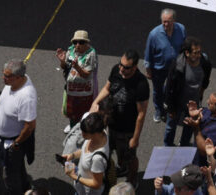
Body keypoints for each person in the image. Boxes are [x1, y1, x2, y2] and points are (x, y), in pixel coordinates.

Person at [90, 49, 149, 184]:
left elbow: (141, 114)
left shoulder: (141, 84)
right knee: (112, 152)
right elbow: (107, 88)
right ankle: (122, 169)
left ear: (134, 67)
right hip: (111, 124)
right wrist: (95, 102)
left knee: (130, 157)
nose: (121, 69)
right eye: (120, 64)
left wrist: (135, 138)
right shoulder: (116, 70)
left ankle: (132, 180)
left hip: (127, 130)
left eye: (126, 67)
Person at [0, 59, 37, 195]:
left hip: (12, 143)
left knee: (10, 176)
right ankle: (26, 188)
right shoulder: (14, 83)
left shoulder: (26, 97)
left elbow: (30, 126)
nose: (3, 78)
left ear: (18, 77)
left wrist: (16, 144)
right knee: (19, 169)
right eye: (4, 74)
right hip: (5, 138)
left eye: (7, 76)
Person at [163, 36, 212, 147]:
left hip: (193, 103)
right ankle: (168, 145)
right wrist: (170, 108)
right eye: (195, 53)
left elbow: (205, 81)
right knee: (171, 126)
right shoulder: (178, 66)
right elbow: (169, 88)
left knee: (190, 127)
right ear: (187, 53)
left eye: (199, 52)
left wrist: (201, 93)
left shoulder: (205, 63)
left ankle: (183, 145)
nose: (199, 55)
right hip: (177, 103)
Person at [144, 9, 186, 123]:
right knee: (158, 91)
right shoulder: (154, 34)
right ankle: (158, 109)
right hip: (159, 68)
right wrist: (148, 69)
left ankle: (173, 107)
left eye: (168, 21)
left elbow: (184, 47)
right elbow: (148, 53)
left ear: (174, 20)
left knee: (174, 88)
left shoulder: (181, 29)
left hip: (176, 67)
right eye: (163, 22)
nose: (165, 24)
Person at [62, 112, 109, 195]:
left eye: (84, 133)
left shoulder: (97, 159)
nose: (82, 134)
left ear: (95, 134)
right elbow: (85, 151)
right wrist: (72, 155)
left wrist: (74, 177)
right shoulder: (102, 133)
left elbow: (96, 184)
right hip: (80, 187)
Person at [58, 30, 98, 127]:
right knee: (72, 112)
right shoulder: (71, 51)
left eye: (81, 42)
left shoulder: (91, 54)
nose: (77, 45)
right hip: (71, 90)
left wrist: (77, 67)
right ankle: (73, 127)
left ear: (87, 43)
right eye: (75, 42)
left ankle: (83, 131)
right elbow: (64, 67)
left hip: (84, 92)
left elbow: (86, 74)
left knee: (85, 114)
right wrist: (62, 61)